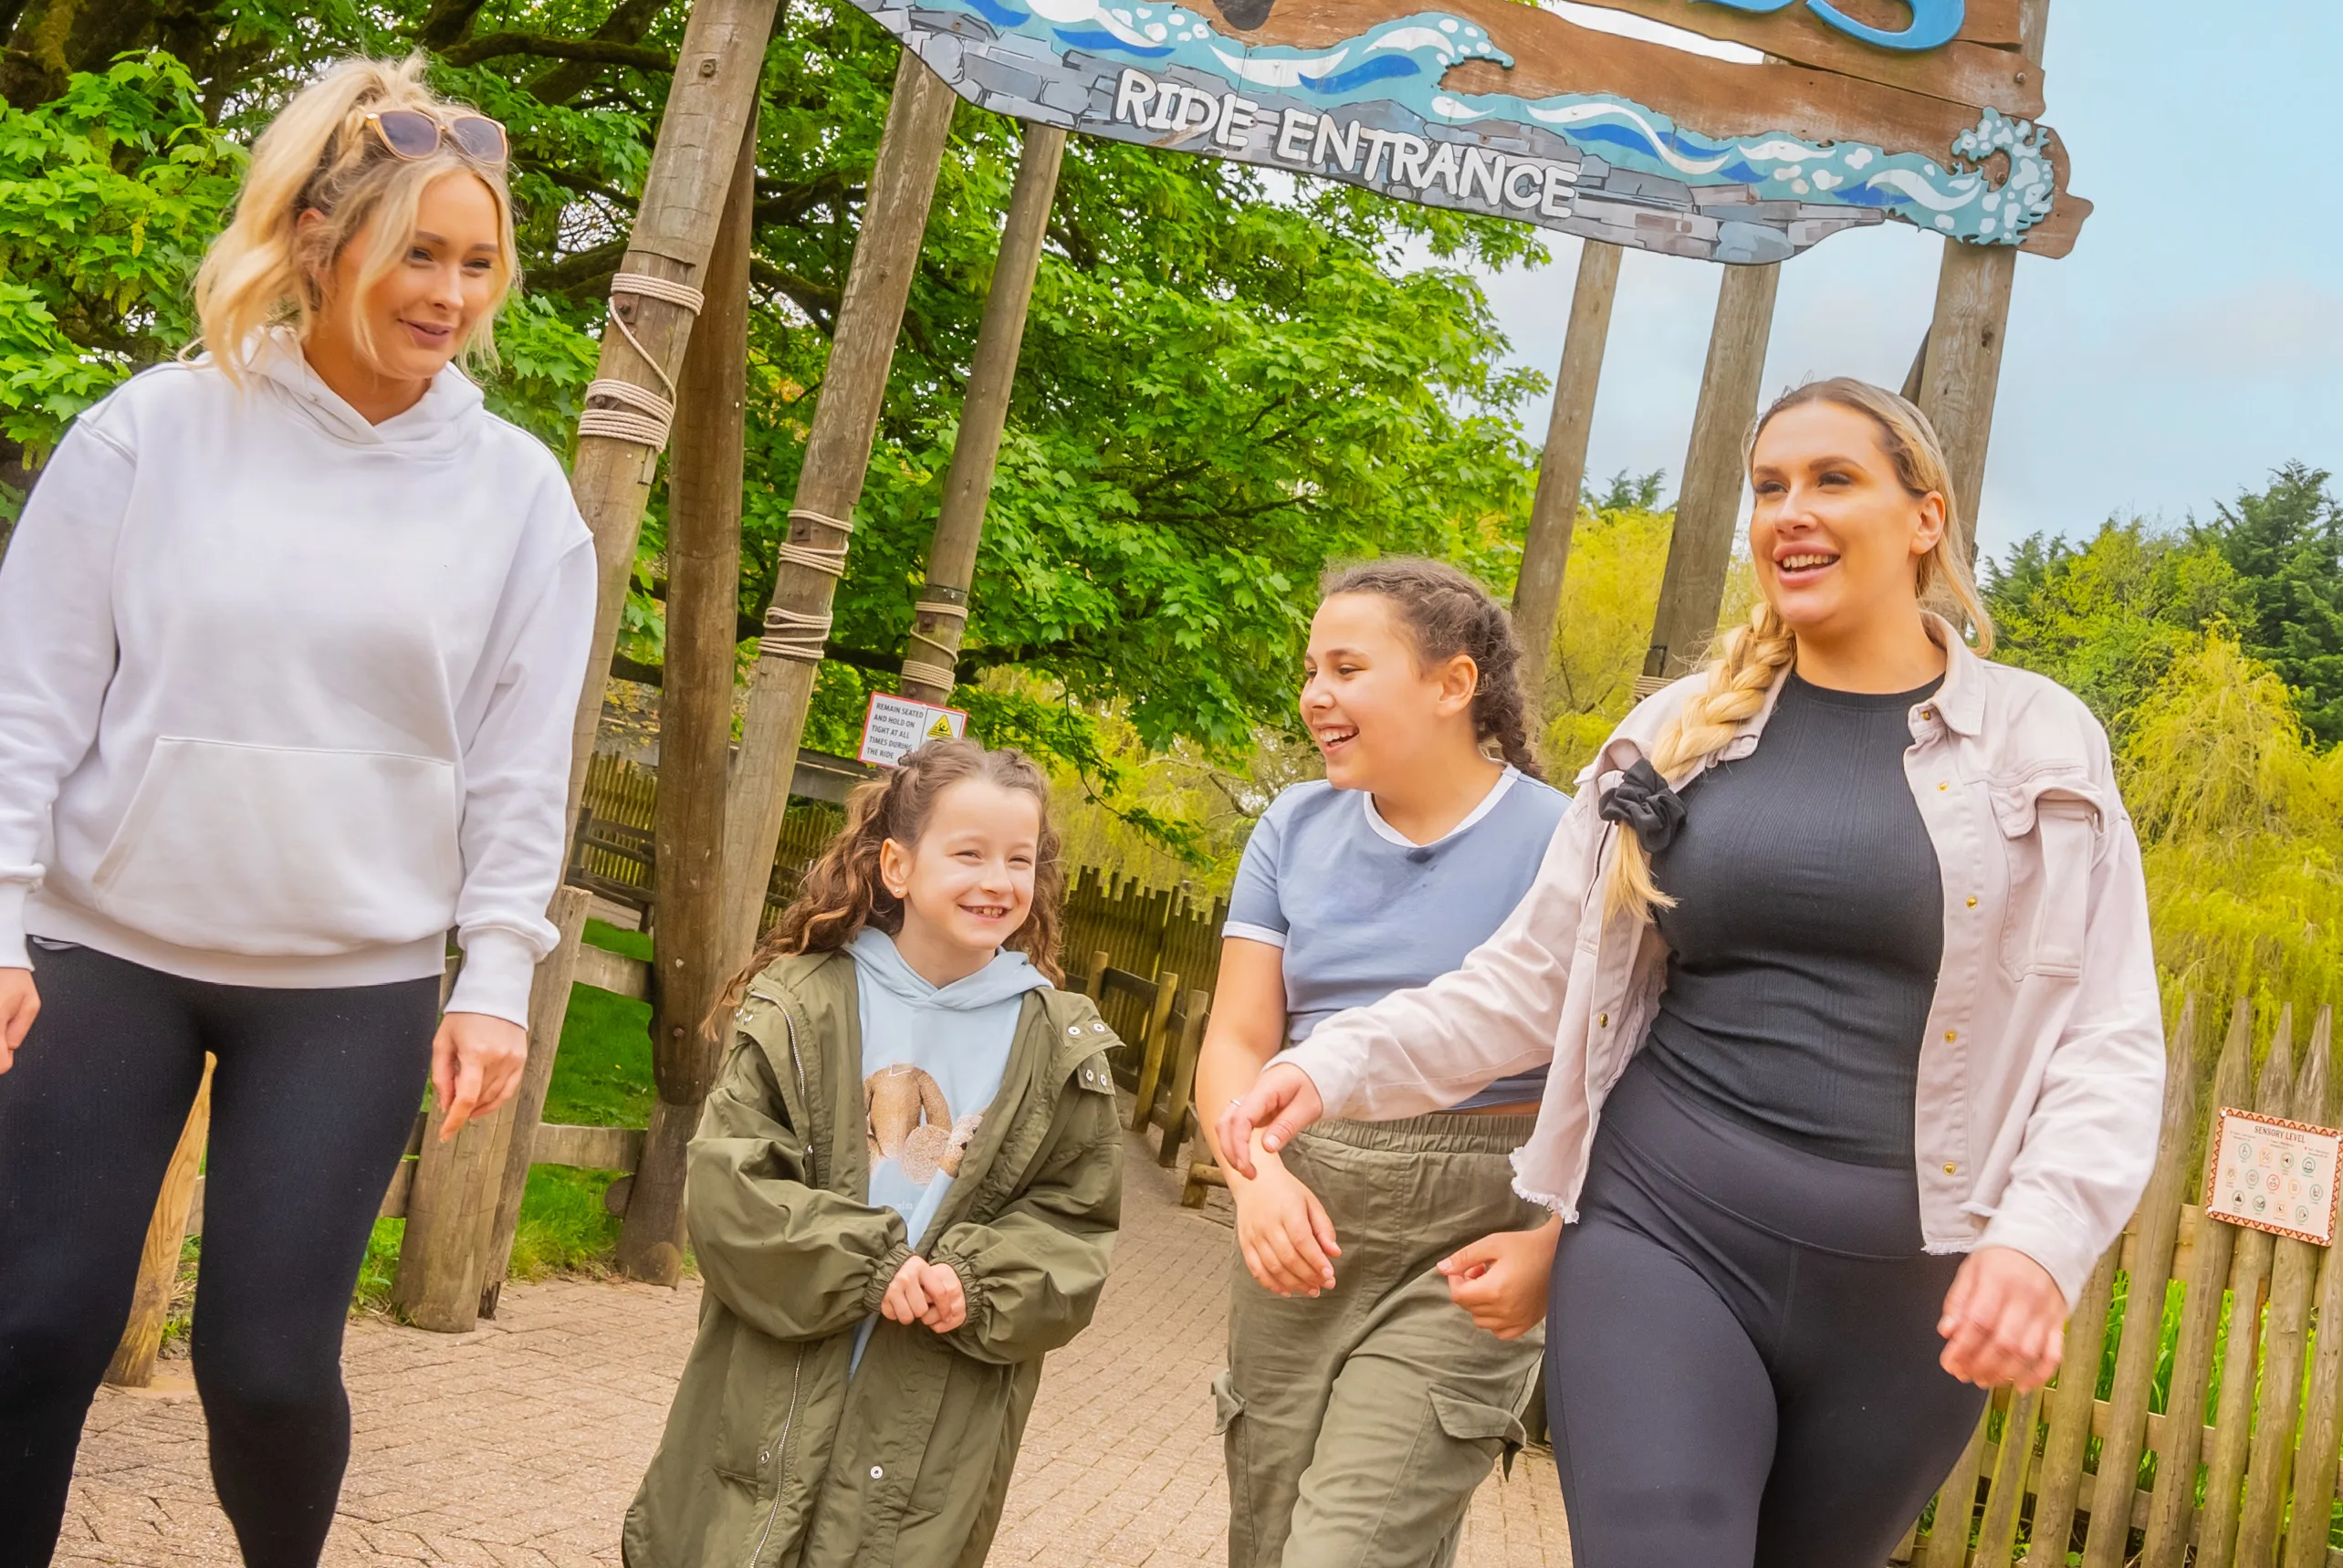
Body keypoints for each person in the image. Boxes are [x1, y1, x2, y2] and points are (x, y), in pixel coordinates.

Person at [1218, 378, 2170, 1568]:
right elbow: (1533, 977)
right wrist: (1336, 1063)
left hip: (1910, 1296)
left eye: (1832, 480)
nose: (1789, 512)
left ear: (1927, 517)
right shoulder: (1671, 738)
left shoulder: (2043, 745)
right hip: (1663, 1235)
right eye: (1769, 486)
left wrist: (2040, 1242)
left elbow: (2108, 1037)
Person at [0, 57, 598, 1568]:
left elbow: (516, 760)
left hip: (348, 976)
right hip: (106, 944)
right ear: (318, 244)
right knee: (34, 1325)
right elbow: (25, 691)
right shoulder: (155, 429)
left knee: (270, 1371)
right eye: (420, 248)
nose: (453, 290)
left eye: (480, 261)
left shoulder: (520, 494)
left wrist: (493, 974)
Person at [624, 737, 1126, 1568]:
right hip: (772, 1374)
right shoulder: (803, 1001)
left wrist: (978, 1281)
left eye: (1019, 859)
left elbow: (1075, 1226)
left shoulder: (1058, 1044)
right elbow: (730, 1186)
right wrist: (865, 1264)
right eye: (968, 854)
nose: (997, 881)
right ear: (897, 865)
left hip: (937, 1405)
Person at [1197, 560, 1572, 1568]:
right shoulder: (1292, 826)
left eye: (1348, 666)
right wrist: (1254, 1182)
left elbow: (1609, 1068)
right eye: (1310, 667)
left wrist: (1555, 1240)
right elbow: (1236, 1037)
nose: (1315, 692)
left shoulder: (1565, 840)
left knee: (1349, 1547)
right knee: (1269, 1539)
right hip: (1301, 1216)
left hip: (1474, 1232)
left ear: (1453, 685)